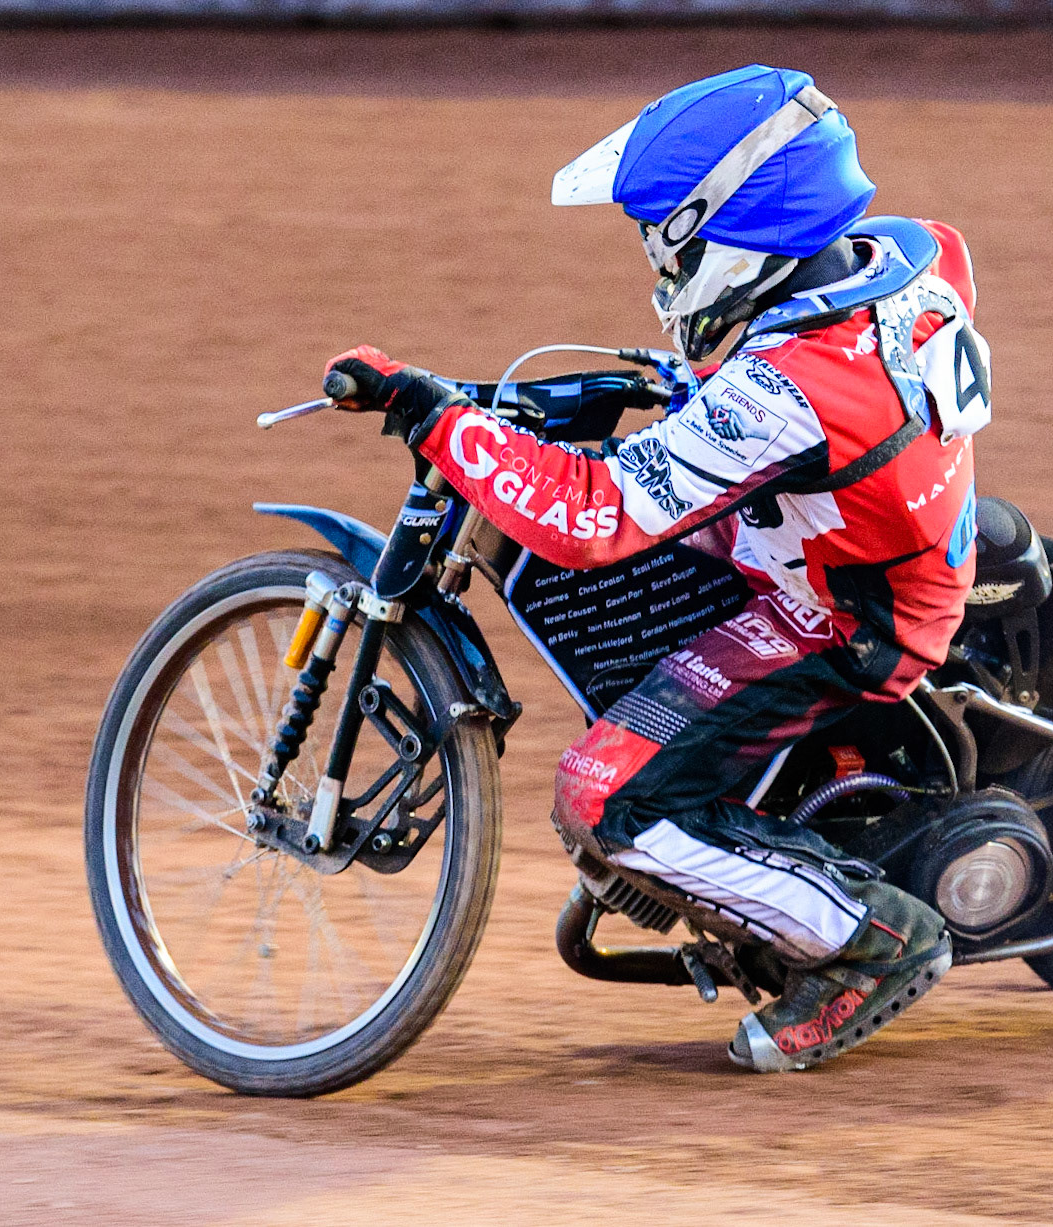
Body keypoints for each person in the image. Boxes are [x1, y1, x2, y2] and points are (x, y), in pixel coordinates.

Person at [323, 64, 994, 1072]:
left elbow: (587, 519)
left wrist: (438, 421)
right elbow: (788, 355)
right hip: (859, 530)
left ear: (731, 229)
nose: (651, 258)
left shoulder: (788, 390)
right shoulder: (908, 252)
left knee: (604, 797)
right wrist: (681, 374)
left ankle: (870, 940)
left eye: (664, 236)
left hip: (840, 615)